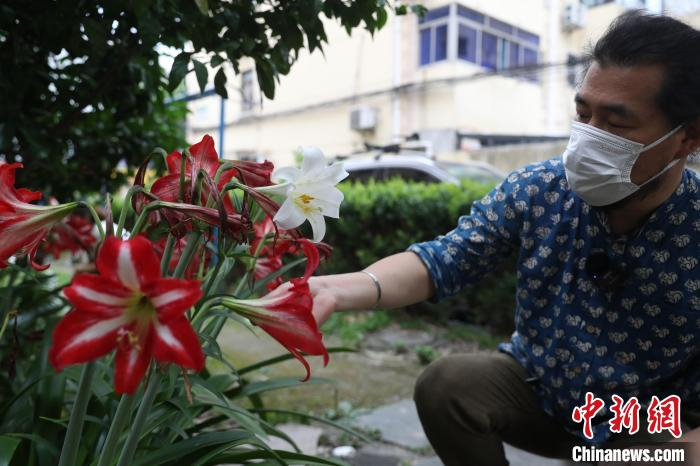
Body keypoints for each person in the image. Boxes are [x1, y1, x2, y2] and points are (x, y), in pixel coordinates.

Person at [273, 10, 700, 465]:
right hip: (541, 395)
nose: (589, 138)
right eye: (583, 114)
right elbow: (447, 258)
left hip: (648, 427)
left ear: (687, 138)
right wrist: (339, 288)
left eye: (616, 123)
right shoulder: (540, 189)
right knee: (449, 386)